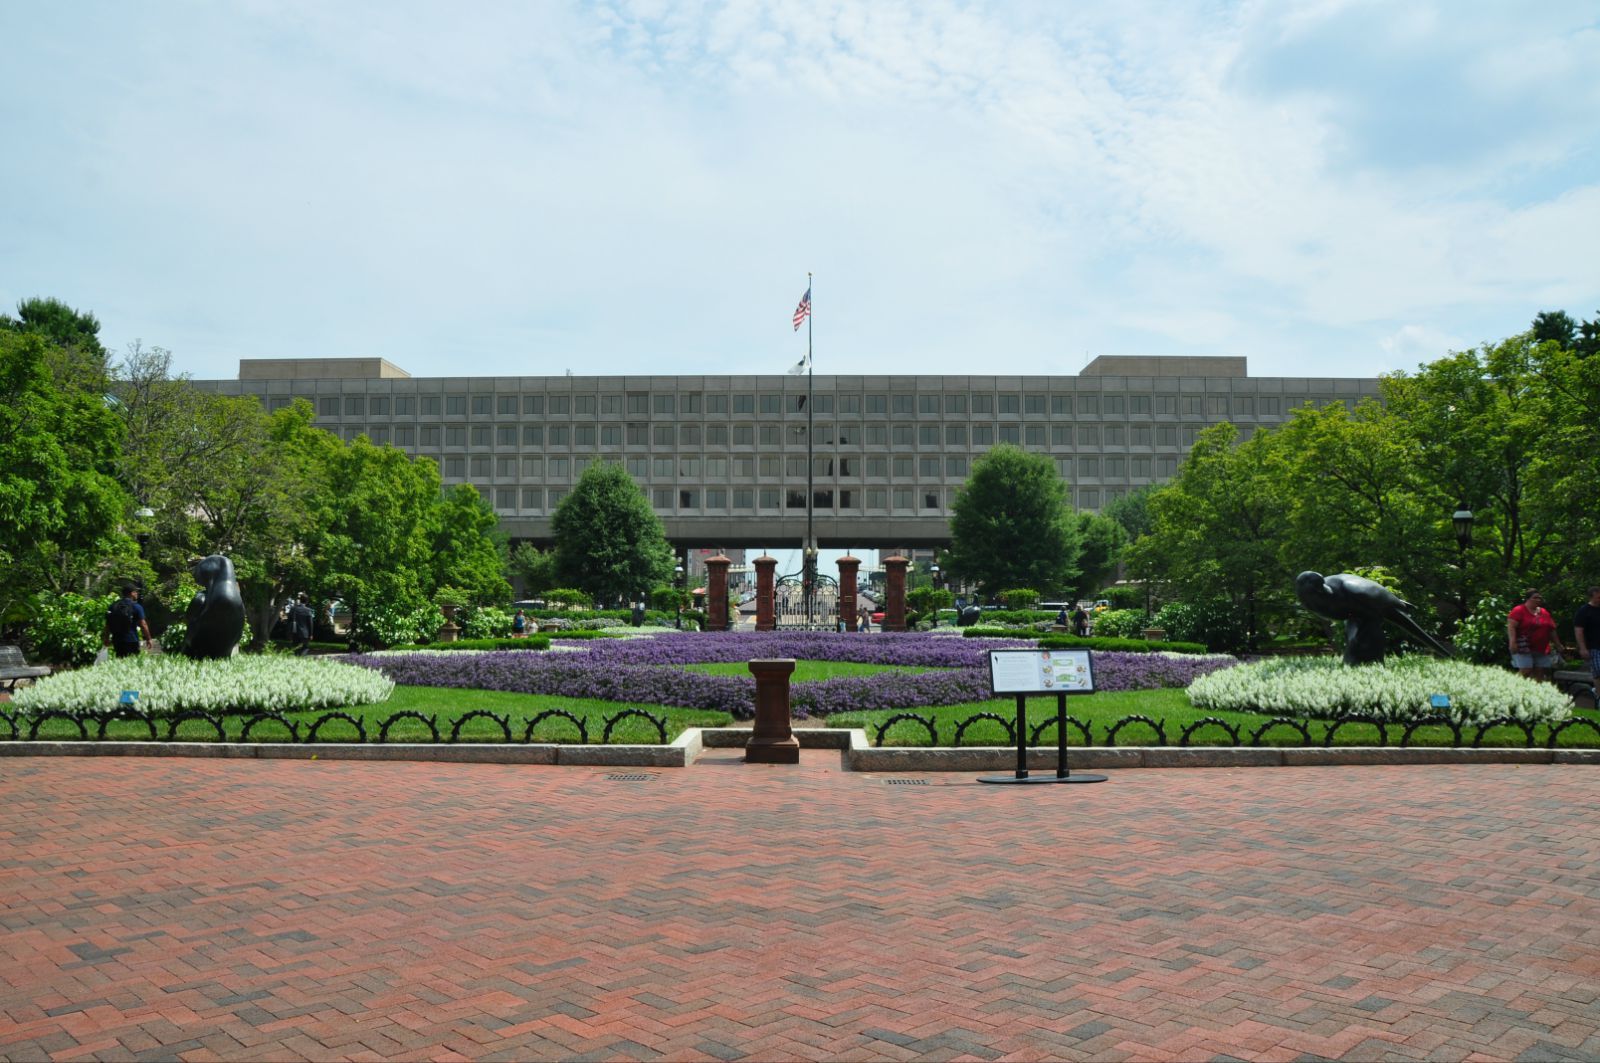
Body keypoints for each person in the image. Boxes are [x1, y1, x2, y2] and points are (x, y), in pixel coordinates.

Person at [1508, 589, 1566, 682]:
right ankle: (1511, 687)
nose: (1538, 600)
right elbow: (1511, 626)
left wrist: (1558, 644)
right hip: (1523, 647)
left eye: (1540, 598)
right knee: (1526, 670)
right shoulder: (1519, 610)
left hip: (1541, 648)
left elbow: (1551, 629)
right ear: (1528, 599)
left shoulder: (1544, 612)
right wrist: (1512, 642)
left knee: (1539, 674)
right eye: (1535, 598)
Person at [103, 585, 153, 659]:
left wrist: (106, 638)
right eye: (136, 592)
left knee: (120, 661)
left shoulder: (113, 606)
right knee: (132, 662)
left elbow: (108, 624)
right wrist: (148, 639)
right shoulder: (136, 606)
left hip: (117, 640)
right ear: (131, 593)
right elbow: (143, 624)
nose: (137, 594)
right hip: (132, 640)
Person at [1575, 585, 1600, 689]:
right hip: (1593, 647)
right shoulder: (1584, 611)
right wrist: (1583, 648)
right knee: (1598, 672)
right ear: (1591, 597)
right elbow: (1578, 630)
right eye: (1598, 597)